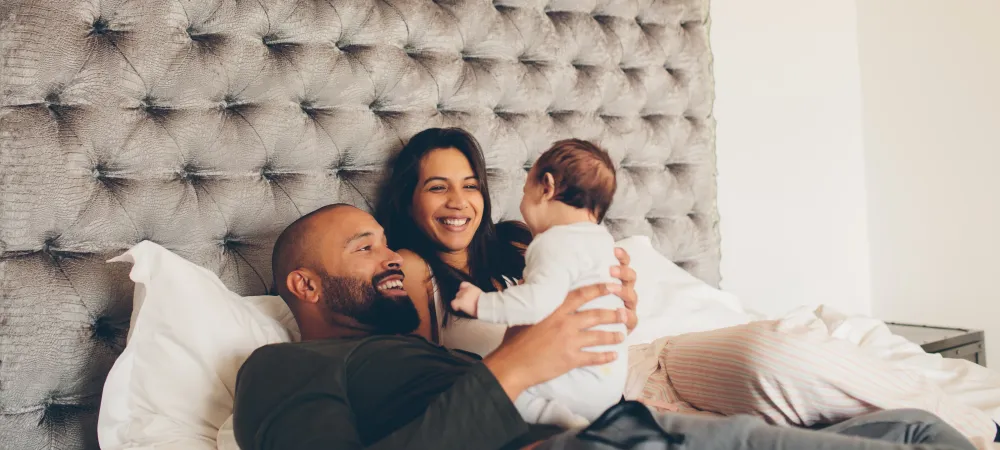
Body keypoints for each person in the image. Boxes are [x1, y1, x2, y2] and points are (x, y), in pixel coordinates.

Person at [374, 127, 999, 444]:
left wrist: (626, 301)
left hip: (646, 361)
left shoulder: (525, 241)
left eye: (470, 185)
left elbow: (616, 309)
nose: (459, 202)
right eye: (437, 186)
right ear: (409, 197)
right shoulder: (415, 269)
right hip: (587, 408)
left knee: (784, 352)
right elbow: (429, 375)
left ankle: (976, 429)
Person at [230, 203, 977, 450]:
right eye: (367, 248)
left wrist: (594, 312)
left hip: (618, 420)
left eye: (391, 244)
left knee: (910, 426)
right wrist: (515, 367)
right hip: (602, 440)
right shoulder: (278, 369)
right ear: (304, 283)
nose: (393, 256)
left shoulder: (412, 351)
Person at [451, 139, 627, 428]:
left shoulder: (553, 242)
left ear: (546, 187)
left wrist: (480, 303)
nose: (522, 204)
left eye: (524, 191)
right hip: (609, 380)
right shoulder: (604, 243)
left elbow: (535, 305)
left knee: (506, 397)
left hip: (575, 379)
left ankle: (564, 425)